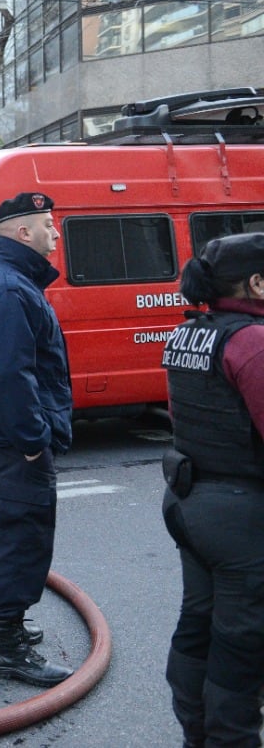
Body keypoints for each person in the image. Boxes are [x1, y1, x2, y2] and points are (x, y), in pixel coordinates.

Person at [0, 191, 74, 688]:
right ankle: (6, 647)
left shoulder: (8, 281)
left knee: (1, 524)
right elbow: (12, 374)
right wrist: (33, 439)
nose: (55, 233)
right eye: (47, 225)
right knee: (20, 533)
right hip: (15, 439)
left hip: (1, 436)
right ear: (22, 233)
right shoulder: (9, 288)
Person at [161, 232, 264, 747]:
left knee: (199, 622)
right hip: (240, 514)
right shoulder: (252, 341)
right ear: (256, 283)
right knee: (241, 641)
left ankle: (196, 734)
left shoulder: (189, 334)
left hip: (190, 501)